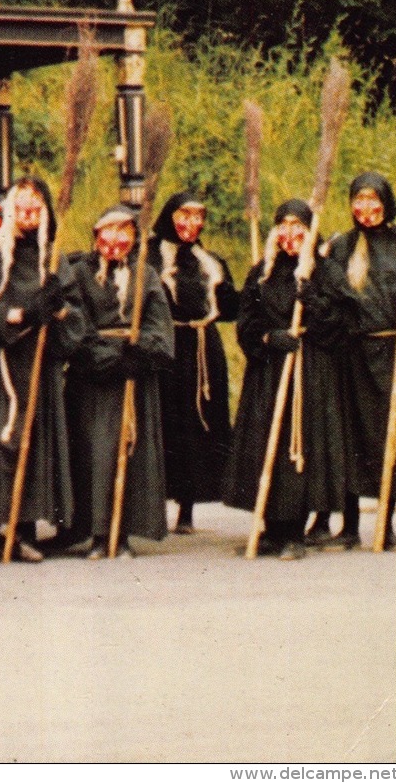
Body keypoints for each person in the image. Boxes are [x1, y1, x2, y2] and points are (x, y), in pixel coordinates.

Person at [0, 178, 81, 566]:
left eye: (36, 208)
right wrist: (20, 315)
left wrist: (57, 309)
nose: (28, 215)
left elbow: (74, 315)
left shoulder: (51, 256)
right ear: (9, 208)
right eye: (22, 207)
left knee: (33, 442)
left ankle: (22, 529)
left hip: (38, 367)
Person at [224, 200, 352, 559]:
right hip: (268, 370)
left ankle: (294, 532)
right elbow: (246, 323)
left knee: (300, 446)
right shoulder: (262, 271)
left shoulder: (324, 272)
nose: (290, 233)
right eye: (283, 225)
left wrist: (313, 302)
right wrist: (267, 338)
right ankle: (271, 529)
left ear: (310, 231)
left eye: (298, 225)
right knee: (266, 443)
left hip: (309, 369)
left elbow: (344, 322)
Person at [59, 204, 174, 558]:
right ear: (96, 236)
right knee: (94, 454)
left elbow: (160, 327)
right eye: (109, 230)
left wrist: (139, 354)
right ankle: (95, 533)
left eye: (125, 231)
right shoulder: (79, 273)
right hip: (94, 380)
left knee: (128, 452)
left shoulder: (145, 275)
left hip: (133, 377)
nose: (116, 239)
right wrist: (109, 357)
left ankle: (121, 534)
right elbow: (75, 326)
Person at [146, 192, 240, 535]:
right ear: (169, 217)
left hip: (202, 349)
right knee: (162, 422)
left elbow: (228, 311)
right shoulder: (150, 256)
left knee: (196, 426)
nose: (192, 223)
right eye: (184, 215)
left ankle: (187, 507)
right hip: (166, 346)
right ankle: (152, 505)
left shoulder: (209, 261)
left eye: (198, 216)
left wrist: (242, 295)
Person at [321, 172, 396, 550]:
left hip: (391, 354)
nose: (365, 207)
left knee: (389, 437)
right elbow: (329, 292)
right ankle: (350, 526)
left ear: (386, 203)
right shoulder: (342, 245)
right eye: (359, 199)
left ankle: (385, 526)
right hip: (350, 354)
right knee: (348, 435)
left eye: (373, 200)